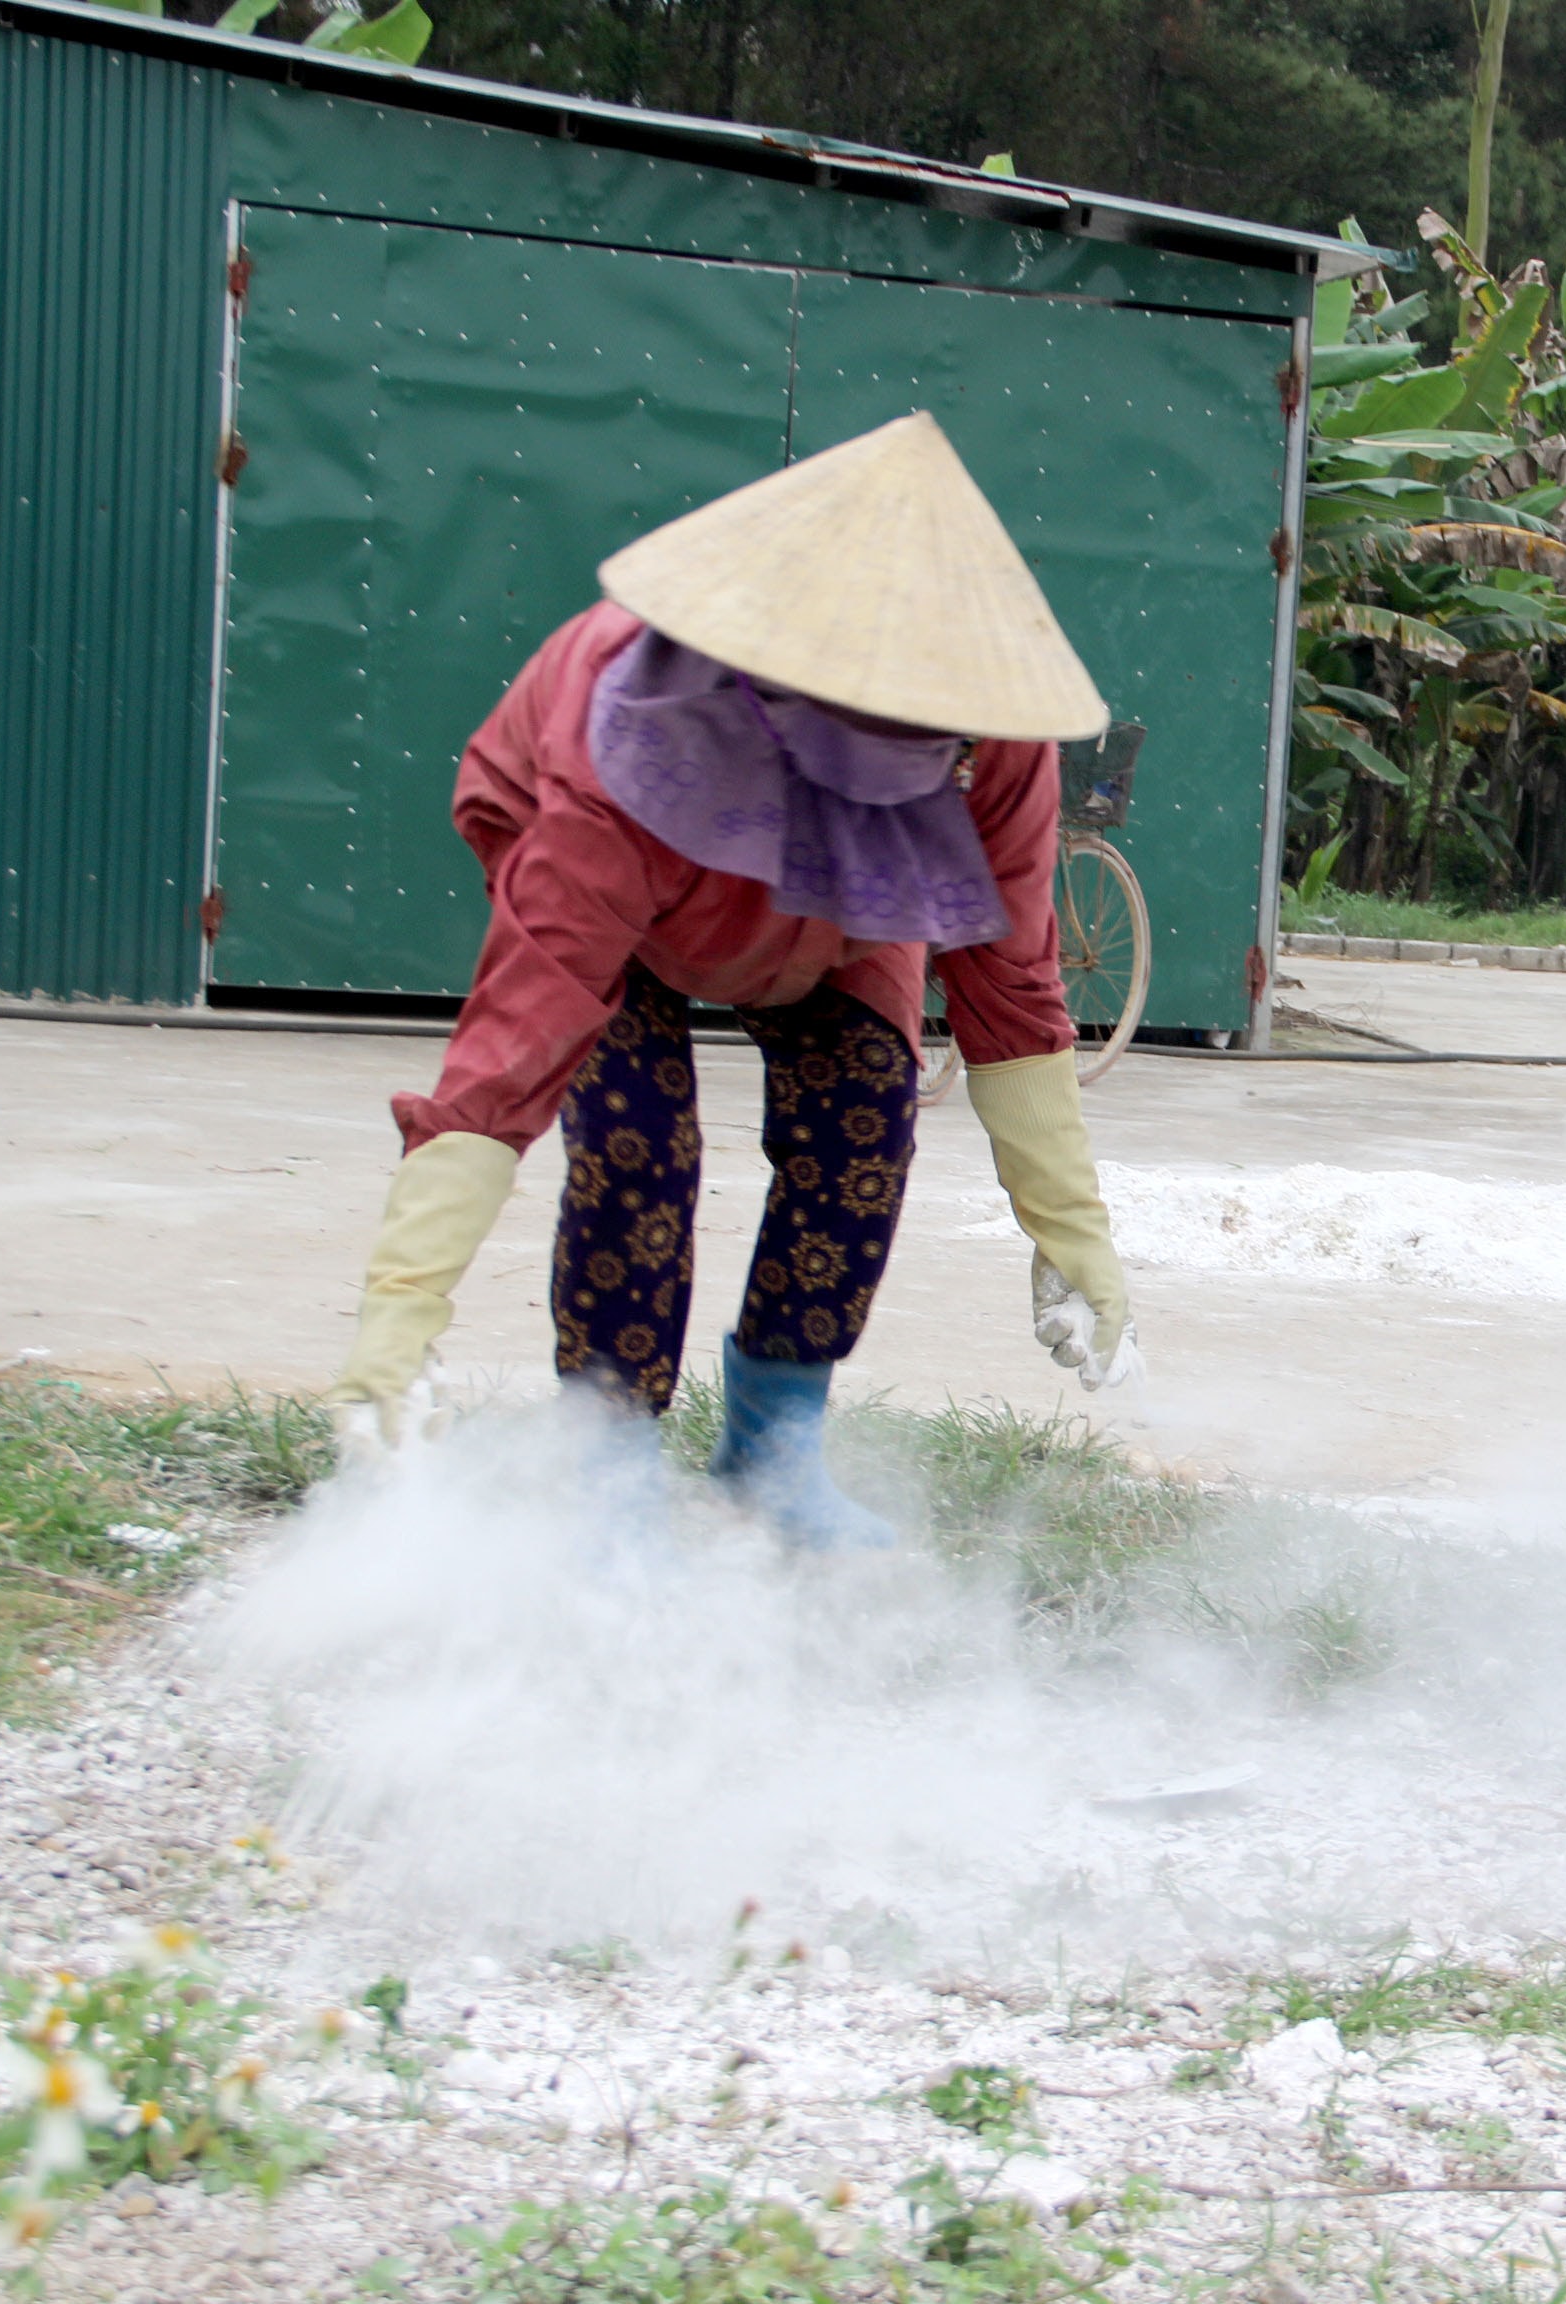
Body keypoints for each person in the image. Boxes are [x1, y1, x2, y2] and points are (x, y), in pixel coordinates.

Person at [326, 413, 1142, 1546]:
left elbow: (1010, 991)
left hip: (839, 925)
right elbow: (521, 1034)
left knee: (865, 1109)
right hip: (644, 869)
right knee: (635, 1136)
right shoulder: (616, 733)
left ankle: (775, 1444)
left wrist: (1073, 1234)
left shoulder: (996, 748)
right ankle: (604, 1462)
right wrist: (399, 1314)